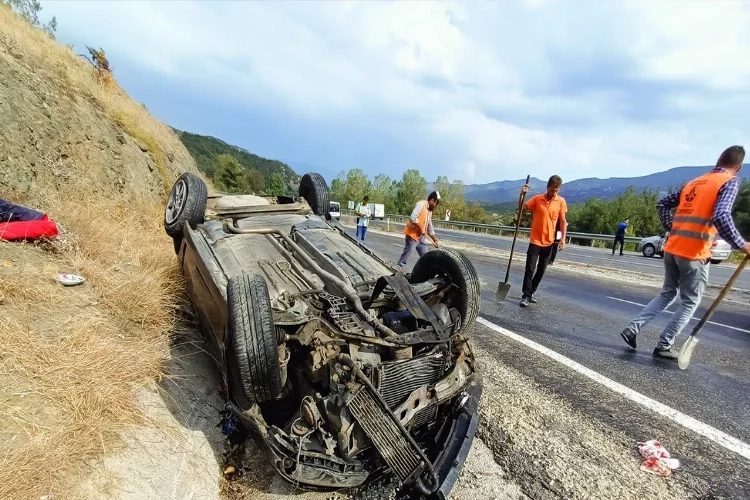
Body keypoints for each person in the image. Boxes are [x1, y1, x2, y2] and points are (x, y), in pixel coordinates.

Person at [618, 145, 750, 359]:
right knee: (690, 301)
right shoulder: (729, 182)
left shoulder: (695, 182)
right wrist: (742, 243)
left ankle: (633, 328)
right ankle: (664, 345)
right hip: (694, 254)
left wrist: (673, 228)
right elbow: (721, 216)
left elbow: (662, 204)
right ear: (739, 167)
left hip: (672, 248)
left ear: (718, 160)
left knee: (667, 293)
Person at [520, 175, 567, 307]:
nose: (554, 193)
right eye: (553, 190)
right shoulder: (537, 199)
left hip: (550, 242)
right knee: (530, 268)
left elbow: (563, 221)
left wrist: (563, 238)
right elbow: (522, 208)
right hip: (535, 241)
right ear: (547, 187)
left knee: (541, 270)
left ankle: (531, 292)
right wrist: (522, 194)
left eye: (557, 191)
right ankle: (525, 295)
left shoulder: (561, 202)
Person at [397, 191, 441, 268]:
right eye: (436, 203)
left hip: (421, 238)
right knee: (407, 253)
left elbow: (429, 226)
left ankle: (427, 273)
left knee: (425, 256)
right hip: (412, 236)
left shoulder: (429, 211)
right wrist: (420, 227)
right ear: (432, 200)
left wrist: (435, 239)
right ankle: (398, 268)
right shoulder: (421, 204)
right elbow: (413, 217)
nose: (435, 206)